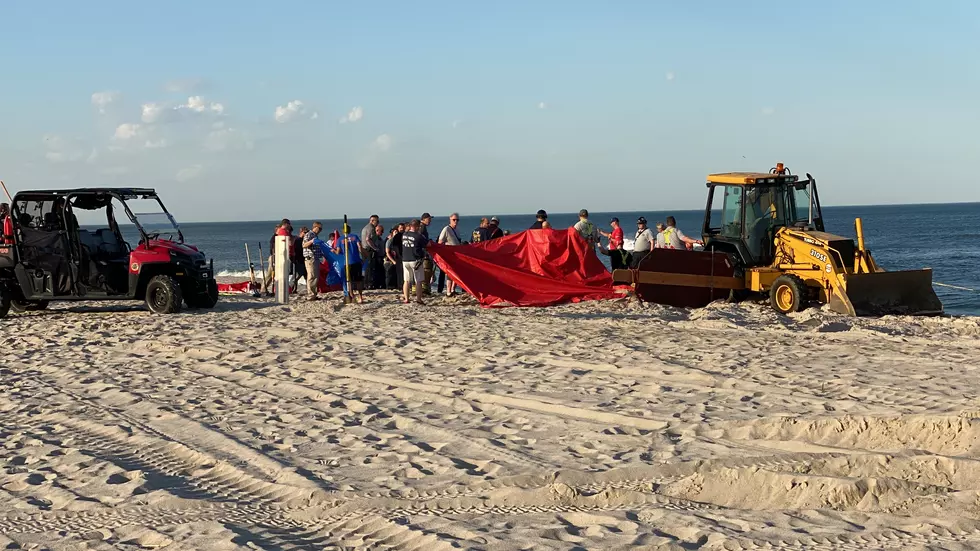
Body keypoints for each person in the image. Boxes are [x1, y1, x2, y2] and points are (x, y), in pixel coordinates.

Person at [334, 225, 365, 303]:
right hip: (356, 261)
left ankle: (352, 296)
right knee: (358, 280)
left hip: (347, 262)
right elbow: (360, 247)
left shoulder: (340, 239)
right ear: (350, 230)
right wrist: (363, 255)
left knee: (349, 281)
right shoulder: (355, 236)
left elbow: (337, 252)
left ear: (343, 230)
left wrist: (332, 251)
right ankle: (360, 297)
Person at [401, 219, 427, 305]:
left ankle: (406, 298)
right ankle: (419, 299)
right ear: (416, 226)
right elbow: (427, 244)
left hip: (405, 259)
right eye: (419, 226)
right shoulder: (418, 236)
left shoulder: (404, 235)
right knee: (418, 280)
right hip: (415, 260)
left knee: (406, 280)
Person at [437, 212, 462, 296]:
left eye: (457, 220)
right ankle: (448, 291)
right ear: (450, 219)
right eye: (454, 220)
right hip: (449, 255)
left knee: (457, 272)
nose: (456, 221)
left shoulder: (457, 230)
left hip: (457, 255)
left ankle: (453, 289)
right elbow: (440, 242)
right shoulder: (446, 229)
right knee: (449, 273)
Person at [302, 222, 323, 299]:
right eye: (320, 228)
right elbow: (304, 245)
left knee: (315, 276)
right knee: (311, 276)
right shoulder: (309, 234)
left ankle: (314, 293)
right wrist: (311, 241)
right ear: (315, 227)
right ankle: (310, 294)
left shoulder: (315, 236)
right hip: (310, 258)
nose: (320, 230)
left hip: (316, 258)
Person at [386, 222, 405, 290]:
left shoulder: (403, 235)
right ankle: (399, 286)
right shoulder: (395, 237)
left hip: (402, 256)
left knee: (402, 272)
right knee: (399, 273)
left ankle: (401, 285)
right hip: (397, 257)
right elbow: (393, 248)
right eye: (401, 228)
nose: (402, 229)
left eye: (403, 228)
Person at [419, 213, 434, 294]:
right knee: (426, 270)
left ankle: (422, 288)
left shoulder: (422, 227)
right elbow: (420, 237)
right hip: (422, 252)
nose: (430, 221)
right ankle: (424, 289)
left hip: (422, 251)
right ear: (424, 219)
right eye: (429, 219)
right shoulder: (422, 227)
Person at [372, 224, 385, 289]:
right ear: (377, 231)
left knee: (380, 271)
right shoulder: (376, 238)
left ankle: (379, 284)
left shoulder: (379, 238)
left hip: (381, 256)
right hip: (377, 257)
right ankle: (376, 284)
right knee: (378, 271)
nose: (382, 232)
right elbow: (376, 247)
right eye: (381, 231)